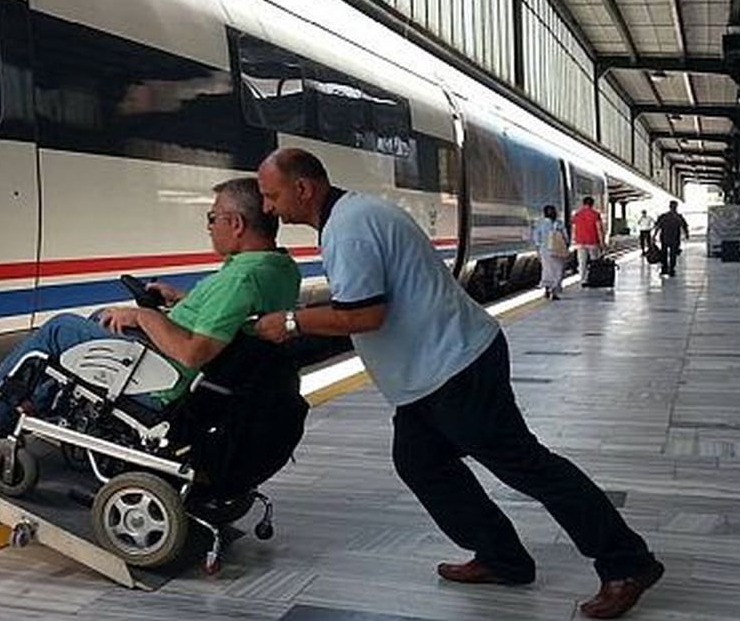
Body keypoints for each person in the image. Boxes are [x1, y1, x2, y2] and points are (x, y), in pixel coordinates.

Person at [254, 149, 663, 621]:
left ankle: (627, 563)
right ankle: (501, 557)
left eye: (271, 196)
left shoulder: (348, 227)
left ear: (303, 189)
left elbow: (364, 314)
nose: (268, 207)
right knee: (420, 462)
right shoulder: (350, 216)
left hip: (456, 367)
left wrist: (291, 321)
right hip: (431, 374)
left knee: (528, 467)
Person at [0, 178, 300, 422]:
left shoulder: (240, 279)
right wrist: (181, 299)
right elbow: (233, 318)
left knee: (59, 329)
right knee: (101, 317)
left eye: (212, 218)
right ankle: (36, 401)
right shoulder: (280, 268)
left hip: (163, 379)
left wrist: (143, 317)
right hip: (186, 369)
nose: (209, 227)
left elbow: (193, 352)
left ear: (236, 223)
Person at [534, 204, 568, 300]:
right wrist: (566, 246)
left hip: (545, 250)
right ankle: (554, 291)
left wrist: (538, 251)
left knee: (547, 270)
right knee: (558, 270)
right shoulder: (559, 223)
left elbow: (536, 238)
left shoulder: (540, 223)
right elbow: (565, 237)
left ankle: (547, 288)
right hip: (558, 250)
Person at [571, 196, 605, 286]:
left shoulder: (577, 214)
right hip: (592, 241)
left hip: (580, 242)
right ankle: (594, 278)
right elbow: (599, 229)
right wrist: (602, 243)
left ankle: (583, 280)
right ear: (592, 204)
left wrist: (574, 240)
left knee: (582, 262)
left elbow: (574, 228)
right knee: (594, 261)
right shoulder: (595, 214)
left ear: (583, 203)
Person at [653, 200, 691, 278]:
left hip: (665, 238)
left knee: (664, 254)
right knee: (673, 254)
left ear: (669, 206)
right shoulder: (678, 217)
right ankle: (671, 270)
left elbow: (657, 226)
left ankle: (664, 269)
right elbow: (685, 226)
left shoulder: (664, 216)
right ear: (676, 207)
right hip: (674, 239)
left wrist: (654, 236)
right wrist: (687, 234)